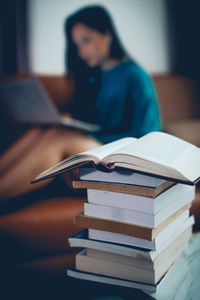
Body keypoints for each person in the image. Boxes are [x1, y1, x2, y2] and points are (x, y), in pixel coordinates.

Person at [0, 5, 161, 202]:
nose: (81, 51)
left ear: (108, 34)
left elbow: (146, 136)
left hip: (123, 156)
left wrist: (89, 133)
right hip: (98, 144)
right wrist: (72, 121)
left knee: (59, 139)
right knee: (43, 131)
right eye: (77, 45)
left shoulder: (135, 75)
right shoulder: (93, 77)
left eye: (86, 41)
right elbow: (96, 120)